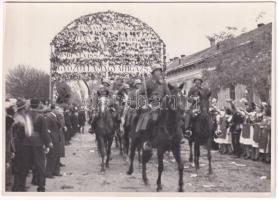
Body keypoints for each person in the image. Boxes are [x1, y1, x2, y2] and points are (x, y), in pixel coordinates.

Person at [13, 98, 52, 192]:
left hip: (26, 143)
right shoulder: (41, 117)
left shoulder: (25, 115)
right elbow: (44, 133)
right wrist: (48, 144)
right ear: (38, 105)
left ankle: (21, 186)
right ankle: (41, 187)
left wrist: (24, 141)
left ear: (30, 105)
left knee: (24, 166)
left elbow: (20, 132)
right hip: (38, 144)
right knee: (40, 166)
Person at [136, 63, 170, 150]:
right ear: (153, 73)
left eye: (160, 71)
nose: (159, 73)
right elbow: (140, 94)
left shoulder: (163, 83)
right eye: (157, 71)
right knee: (147, 119)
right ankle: (146, 141)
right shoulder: (147, 82)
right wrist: (144, 104)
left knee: (174, 118)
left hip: (162, 106)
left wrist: (165, 99)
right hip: (151, 106)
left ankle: (174, 138)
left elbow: (168, 94)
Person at [45, 104, 62, 178]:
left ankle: (56, 171)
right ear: (53, 109)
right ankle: (49, 173)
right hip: (52, 138)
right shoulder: (49, 117)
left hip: (57, 138)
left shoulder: (55, 116)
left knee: (57, 155)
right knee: (51, 156)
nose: (58, 110)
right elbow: (47, 130)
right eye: (57, 109)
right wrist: (49, 141)